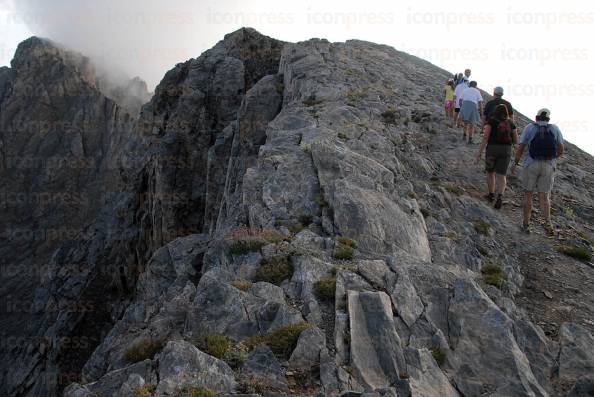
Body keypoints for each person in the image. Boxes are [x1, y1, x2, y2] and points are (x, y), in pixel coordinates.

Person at [512, 108, 564, 235]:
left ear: (537, 117)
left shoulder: (530, 127)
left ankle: (526, 224)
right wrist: (552, 159)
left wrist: (515, 162)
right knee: (544, 196)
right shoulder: (555, 129)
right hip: (548, 165)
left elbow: (521, 146)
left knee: (528, 194)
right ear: (548, 119)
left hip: (531, 163)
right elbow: (561, 149)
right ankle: (548, 224)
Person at [476, 104, 518, 209]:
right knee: (502, 175)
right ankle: (500, 197)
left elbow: (485, 137)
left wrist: (479, 152)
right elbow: (516, 140)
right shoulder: (511, 123)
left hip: (492, 149)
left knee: (490, 172)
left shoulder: (491, 121)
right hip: (506, 150)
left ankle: (491, 195)